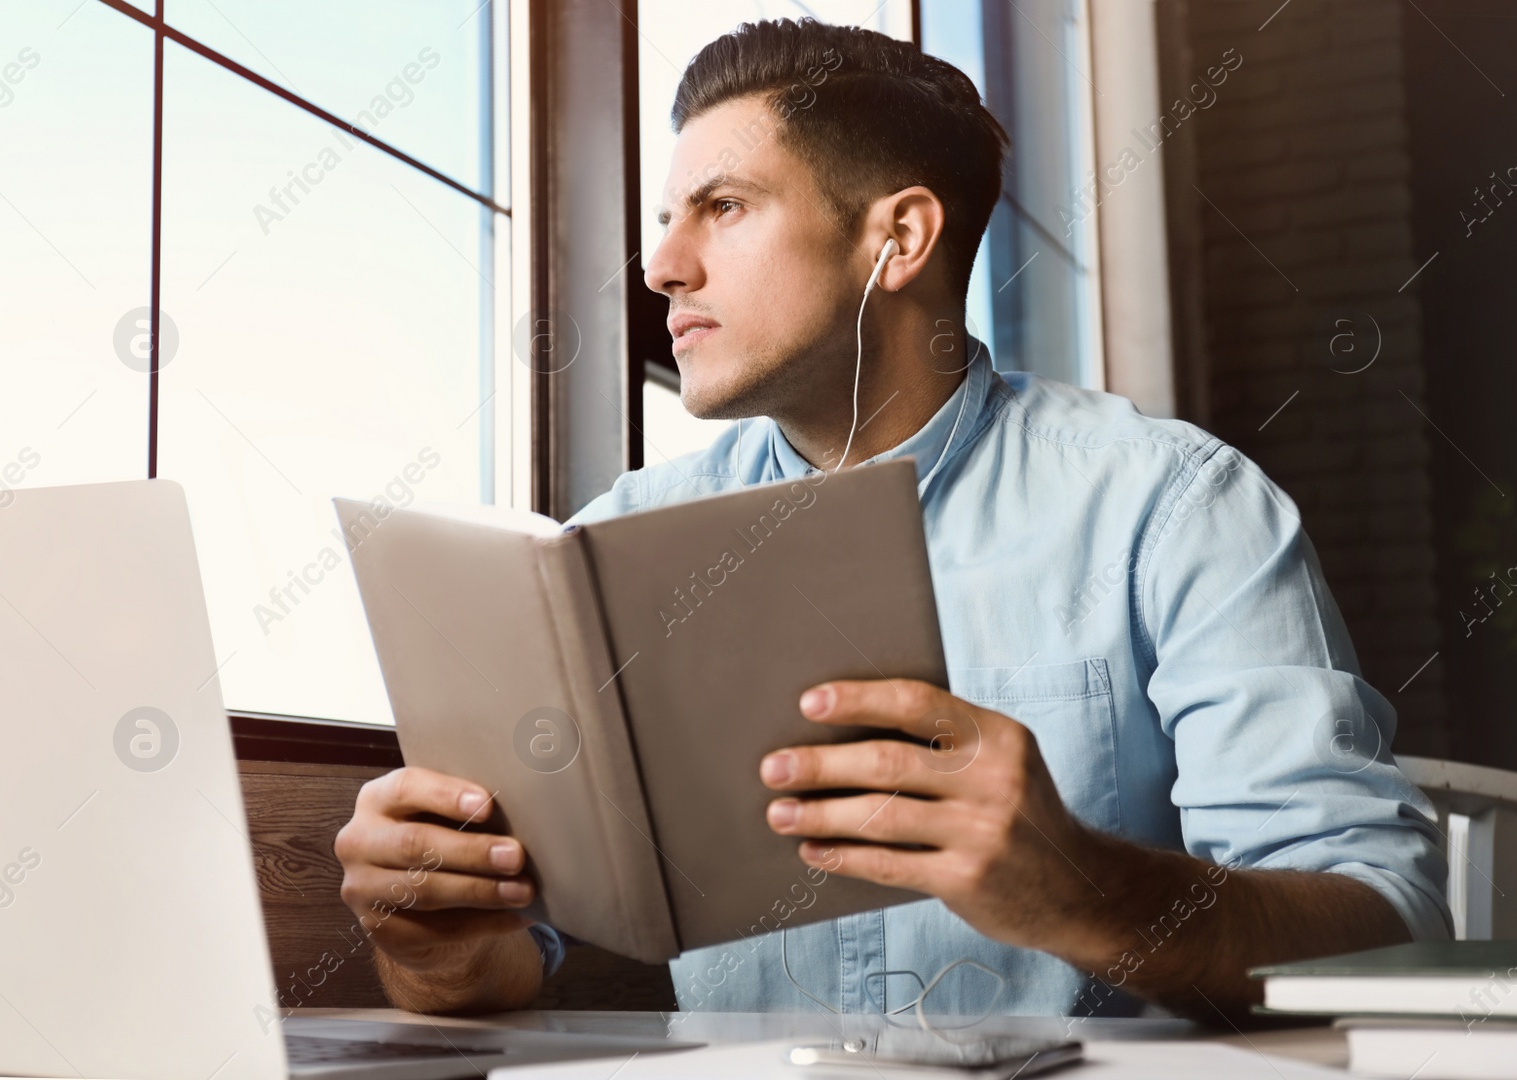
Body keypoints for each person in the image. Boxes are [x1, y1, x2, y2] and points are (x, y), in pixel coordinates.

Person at [333, 18, 1448, 1023]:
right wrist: (433, 943)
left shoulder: (1175, 507)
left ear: (897, 239)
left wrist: (1084, 889)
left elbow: (1385, 928)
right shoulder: (614, 546)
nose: (663, 266)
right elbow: (489, 974)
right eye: (667, 220)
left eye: (722, 208)